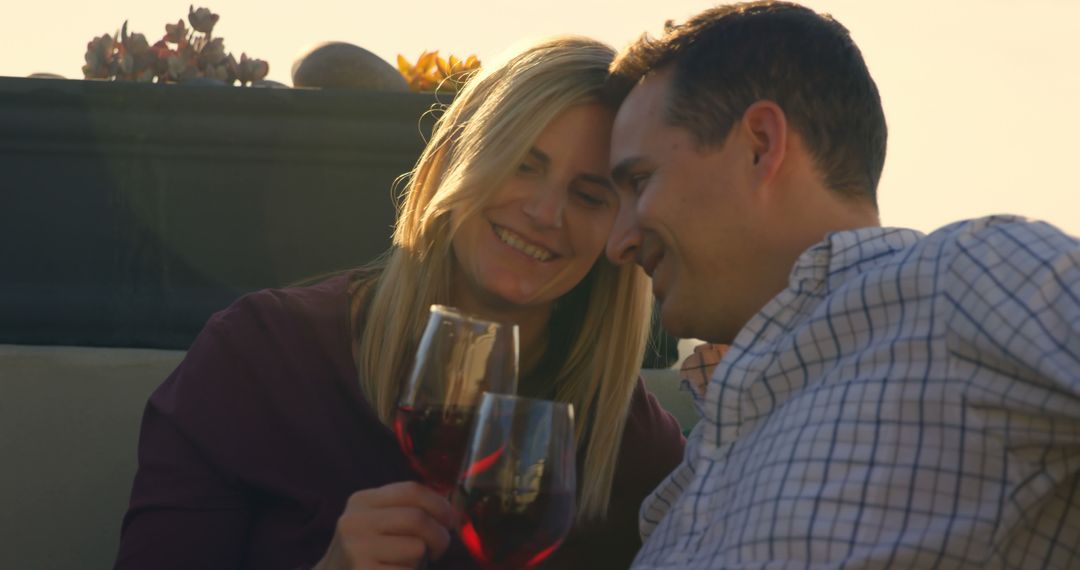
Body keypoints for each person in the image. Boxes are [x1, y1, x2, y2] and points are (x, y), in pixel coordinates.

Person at [115, 36, 686, 570]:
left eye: (588, 195)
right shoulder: (262, 357)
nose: (544, 212)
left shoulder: (631, 443)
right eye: (520, 163)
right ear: (451, 162)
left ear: (624, 231)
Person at [603, 1, 1080, 568]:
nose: (618, 243)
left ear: (760, 143)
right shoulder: (685, 481)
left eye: (640, 180)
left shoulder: (964, 281)